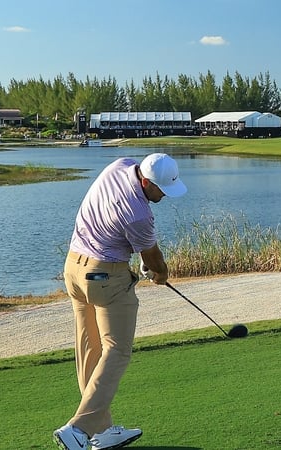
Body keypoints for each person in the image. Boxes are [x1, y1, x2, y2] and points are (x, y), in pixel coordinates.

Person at [53, 153, 187, 450]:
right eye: (161, 189)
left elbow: (128, 240)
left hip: (74, 269)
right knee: (117, 350)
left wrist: (142, 263)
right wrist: (161, 274)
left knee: (90, 347)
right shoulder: (140, 214)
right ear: (145, 181)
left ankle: (102, 430)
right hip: (105, 278)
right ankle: (78, 428)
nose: (164, 195)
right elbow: (153, 258)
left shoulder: (121, 165)